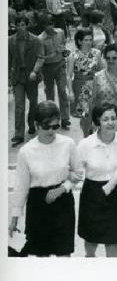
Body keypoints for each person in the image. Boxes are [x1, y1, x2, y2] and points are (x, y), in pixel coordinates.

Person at [8, 101, 78, 256]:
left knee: (64, 254)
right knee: (41, 256)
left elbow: (77, 173)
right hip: (38, 205)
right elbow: (21, 186)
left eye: (55, 126)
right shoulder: (26, 152)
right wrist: (14, 218)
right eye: (46, 126)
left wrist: (63, 188)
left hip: (63, 204)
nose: (51, 131)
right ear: (36, 124)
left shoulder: (69, 144)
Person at [76, 103, 117, 257]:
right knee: (91, 241)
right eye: (105, 119)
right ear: (97, 122)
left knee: (113, 242)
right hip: (92, 195)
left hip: (116, 196)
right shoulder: (85, 144)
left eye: (114, 118)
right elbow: (75, 172)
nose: (110, 122)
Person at [8, 15, 44, 146]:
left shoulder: (35, 40)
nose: (20, 27)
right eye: (18, 25)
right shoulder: (10, 41)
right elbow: (7, 61)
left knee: (33, 103)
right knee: (19, 105)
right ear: (15, 26)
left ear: (26, 25)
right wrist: (7, 79)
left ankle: (32, 123)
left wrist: (35, 71)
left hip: (31, 76)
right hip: (18, 76)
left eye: (22, 25)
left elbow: (41, 57)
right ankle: (18, 134)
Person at [66, 27, 103, 137]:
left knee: (96, 113)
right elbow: (68, 75)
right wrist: (70, 92)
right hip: (80, 87)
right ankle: (87, 136)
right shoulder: (73, 56)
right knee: (85, 116)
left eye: (90, 39)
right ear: (79, 41)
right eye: (86, 40)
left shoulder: (97, 53)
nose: (88, 42)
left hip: (95, 86)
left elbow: (101, 71)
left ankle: (96, 134)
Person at [38, 13, 71, 130]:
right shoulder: (40, 39)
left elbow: (64, 49)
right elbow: (42, 57)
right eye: (47, 25)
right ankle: (52, 119)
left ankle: (65, 118)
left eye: (51, 24)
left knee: (62, 91)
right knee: (50, 94)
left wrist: (65, 52)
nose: (50, 27)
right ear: (43, 26)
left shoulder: (60, 32)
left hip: (60, 65)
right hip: (47, 68)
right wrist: (54, 53)